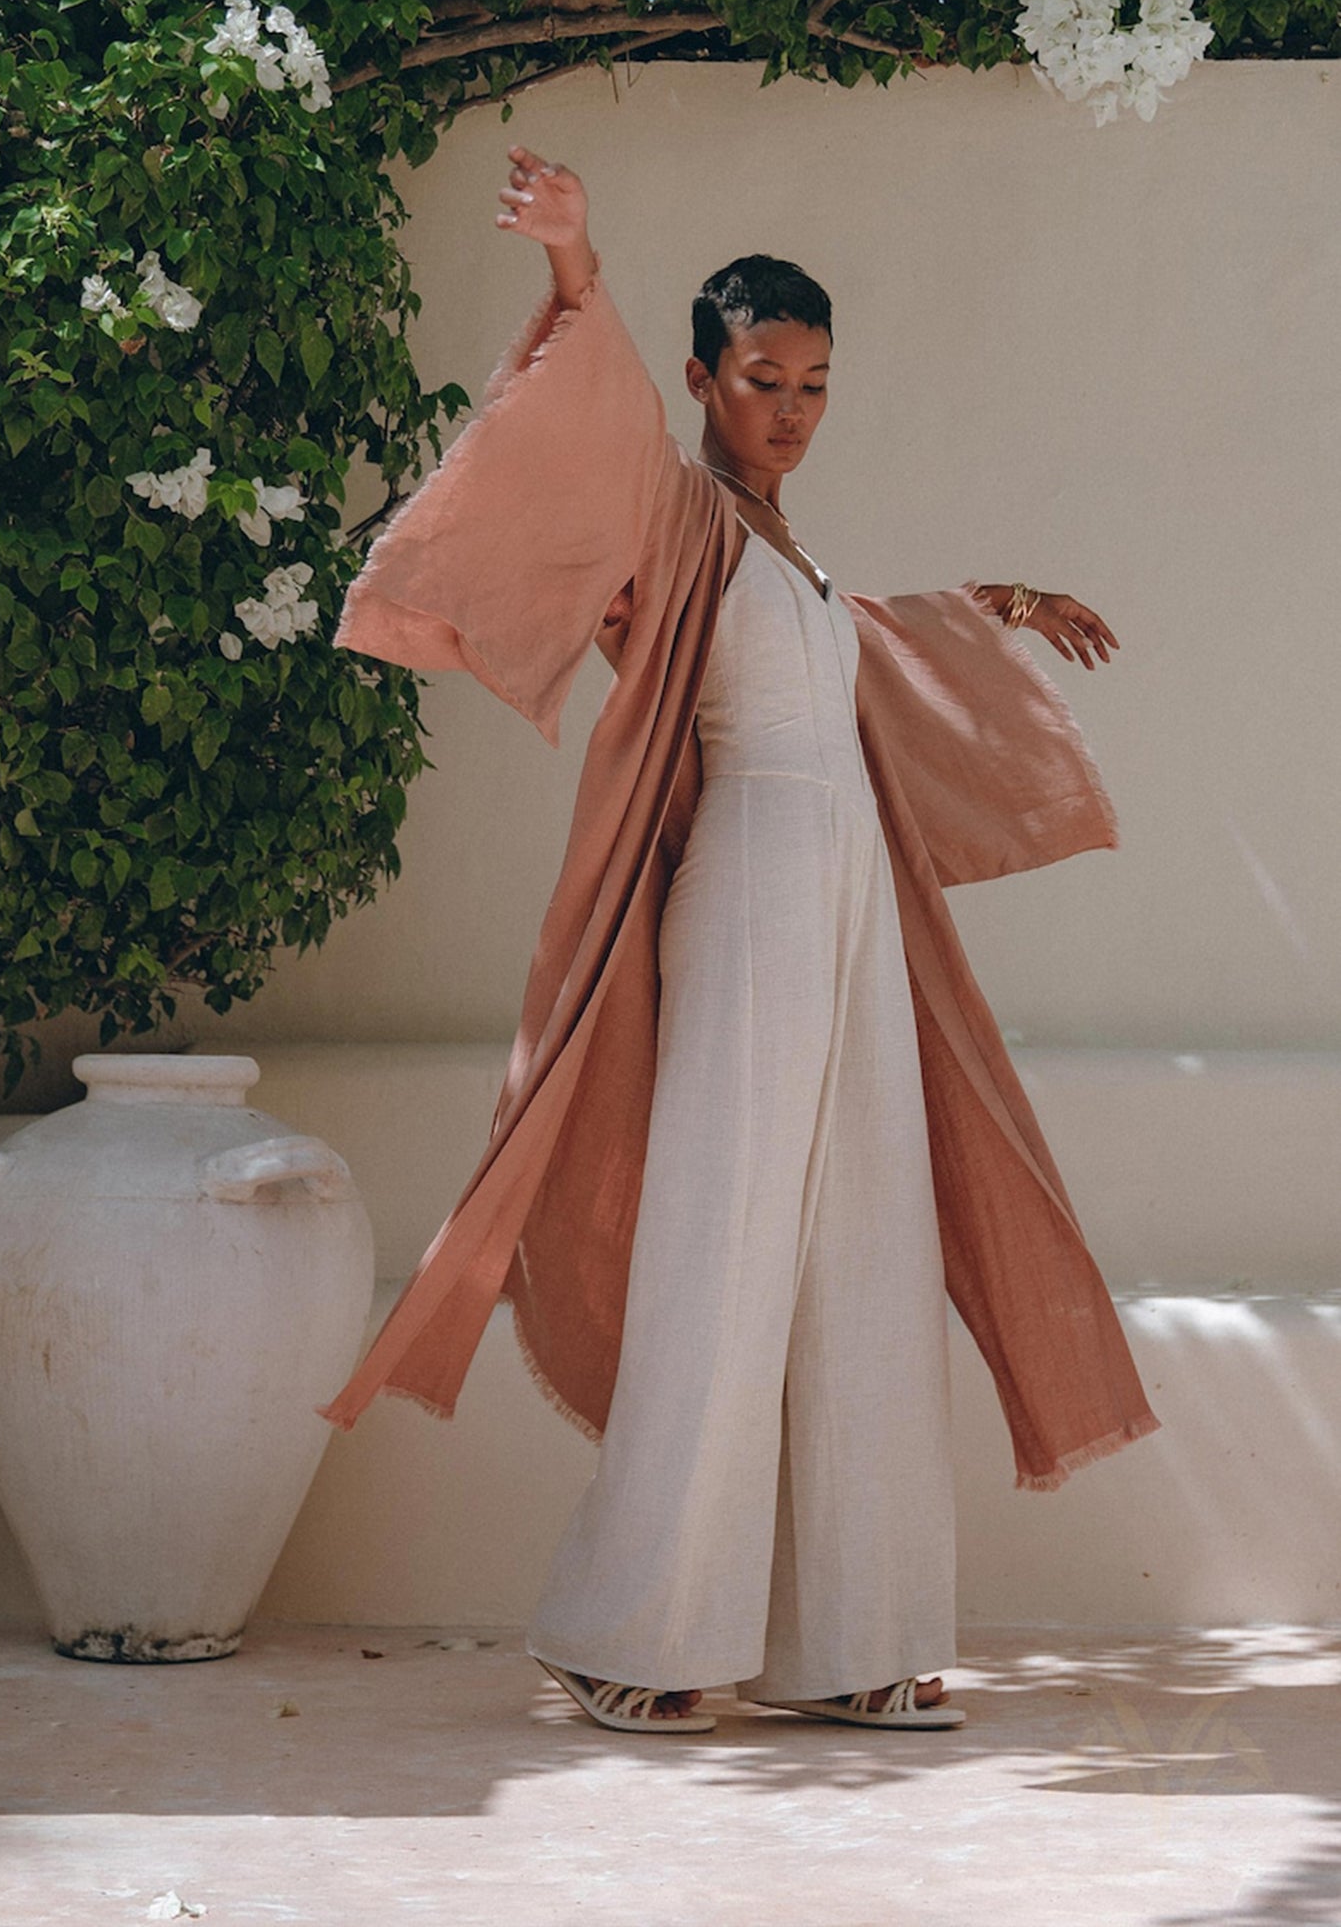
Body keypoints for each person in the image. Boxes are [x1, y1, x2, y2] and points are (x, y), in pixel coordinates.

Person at [320, 143, 1160, 1737]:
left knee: (863, 1249)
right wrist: (575, 264)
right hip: (754, 891)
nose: (787, 407)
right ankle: (628, 1629)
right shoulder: (679, 505)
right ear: (707, 377)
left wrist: (987, 598)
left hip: (847, 906)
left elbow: (848, 649)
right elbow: (602, 429)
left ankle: (854, 1637)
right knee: (722, 1250)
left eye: (815, 384)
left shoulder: (792, 551)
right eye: (761, 376)